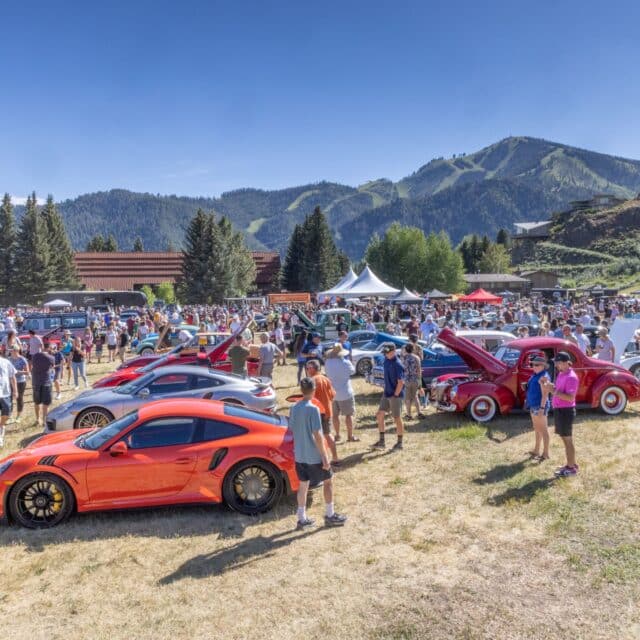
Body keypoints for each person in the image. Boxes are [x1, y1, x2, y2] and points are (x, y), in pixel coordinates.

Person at [288, 377, 347, 529]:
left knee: (303, 486)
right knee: (328, 482)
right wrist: (325, 458)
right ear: (314, 391)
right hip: (314, 456)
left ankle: (301, 519)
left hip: (300, 455)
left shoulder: (293, 408)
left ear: (301, 390)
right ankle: (330, 515)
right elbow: (318, 435)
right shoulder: (313, 409)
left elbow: (292, 428)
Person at [541, 352, 579, 477]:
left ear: (565, 362)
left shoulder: (571, 377)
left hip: (566, 411)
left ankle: (571, 468)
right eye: (556, 363)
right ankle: (571, 463)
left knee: (568, 440)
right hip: (560, 410)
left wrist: (553, 391)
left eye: (558, 363)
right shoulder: (562, 373)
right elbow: (558, 389)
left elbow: (570, 397)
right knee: (565, 438)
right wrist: (551, 386)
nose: (556, 365)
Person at [305, 359, 340, 465]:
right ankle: (335, 458)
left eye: (307, 368)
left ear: (312, 369)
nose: (306, 370)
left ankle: (320, 459)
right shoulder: (325, 379)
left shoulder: (312, 381)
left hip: (317, 413)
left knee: (316, 436)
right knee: (328, 434)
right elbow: (333, 395)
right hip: (327, 412)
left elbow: (309, 398)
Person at [374, 343, 405, 450]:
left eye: (387, 353)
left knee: (397, 418)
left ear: (393, 351)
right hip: (386, 393)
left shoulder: (398, 364)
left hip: (395, 395)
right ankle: (382, 442)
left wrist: (395, 395)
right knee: (379, 414)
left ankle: (400, 443)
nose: (386, 354)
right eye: (385, 353)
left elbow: (401, 382)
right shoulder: (386, 360)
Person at [324, 343, 357, 442]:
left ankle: (337, 435)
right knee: (348, 415)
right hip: (345, 392)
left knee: (334, 416)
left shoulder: (328, 362)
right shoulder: (346, 363)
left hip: (332, 393)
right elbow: (353, 372)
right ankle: (350, 436)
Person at [526, 355, 551, 461]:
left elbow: (545, 394)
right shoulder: (535, 375)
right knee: (537, 429)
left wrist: (541, 408)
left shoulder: (543, 377)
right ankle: (536, 450)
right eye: (532, 364)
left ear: (543, 366)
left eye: (537, 365)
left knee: (543, 429)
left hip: (539, 406)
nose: (534, 366)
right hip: (533, 405)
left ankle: (545, 453)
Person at [31, 344, 55, 428]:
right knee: (46, 403)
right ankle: (44, 421)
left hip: (36, 382)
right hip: (46, 382)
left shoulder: (35, 356)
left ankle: (38, 419)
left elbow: (33, 366)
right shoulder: (51, 357)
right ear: (48, 348)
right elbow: (53, 367)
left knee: (36, 402)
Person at [401, 343, 424, 421]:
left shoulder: (403, 358)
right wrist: (420, 383)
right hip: (415, 380)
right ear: (413, 349)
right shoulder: (416, 358)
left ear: (405, 349)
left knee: (407, 399)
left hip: (407, 380)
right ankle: (419, 413)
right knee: (415, 397)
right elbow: (419, 370)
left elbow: (402, 369)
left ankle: (409, 415)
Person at [8, 344, 29, 424]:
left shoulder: (23, 359)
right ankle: (9, 416)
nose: (10, 352)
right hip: (10, 381)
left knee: (19, 398)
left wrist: (17, 371)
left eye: (11, 350)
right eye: (10, 350)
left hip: (20, 382)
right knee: (9, 399)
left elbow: (27, 372)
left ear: (16, 351)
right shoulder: (9, 359)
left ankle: (18, 416)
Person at [0, 354, 18, 447]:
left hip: (5, 393)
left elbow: (12, 376)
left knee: (7, 414)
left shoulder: (6, 362)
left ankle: (1, 425)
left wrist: (15, 391)